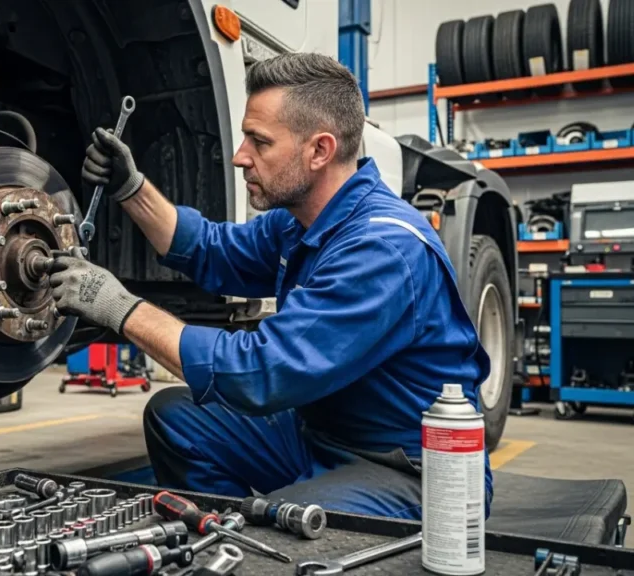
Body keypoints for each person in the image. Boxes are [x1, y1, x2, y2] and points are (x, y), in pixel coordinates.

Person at [48, 53, 492, 520]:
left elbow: (259, 373)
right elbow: (211, 249)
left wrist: (118, 306)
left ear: (319, 151)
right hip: (320, 437)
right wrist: (131, 188)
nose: (240, 155)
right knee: (176, 419)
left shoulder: (383, 251)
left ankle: (260, 535)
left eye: (259, 142)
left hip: (410, 469)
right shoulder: (301, 221)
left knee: (288, 520)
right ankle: (220, 531)